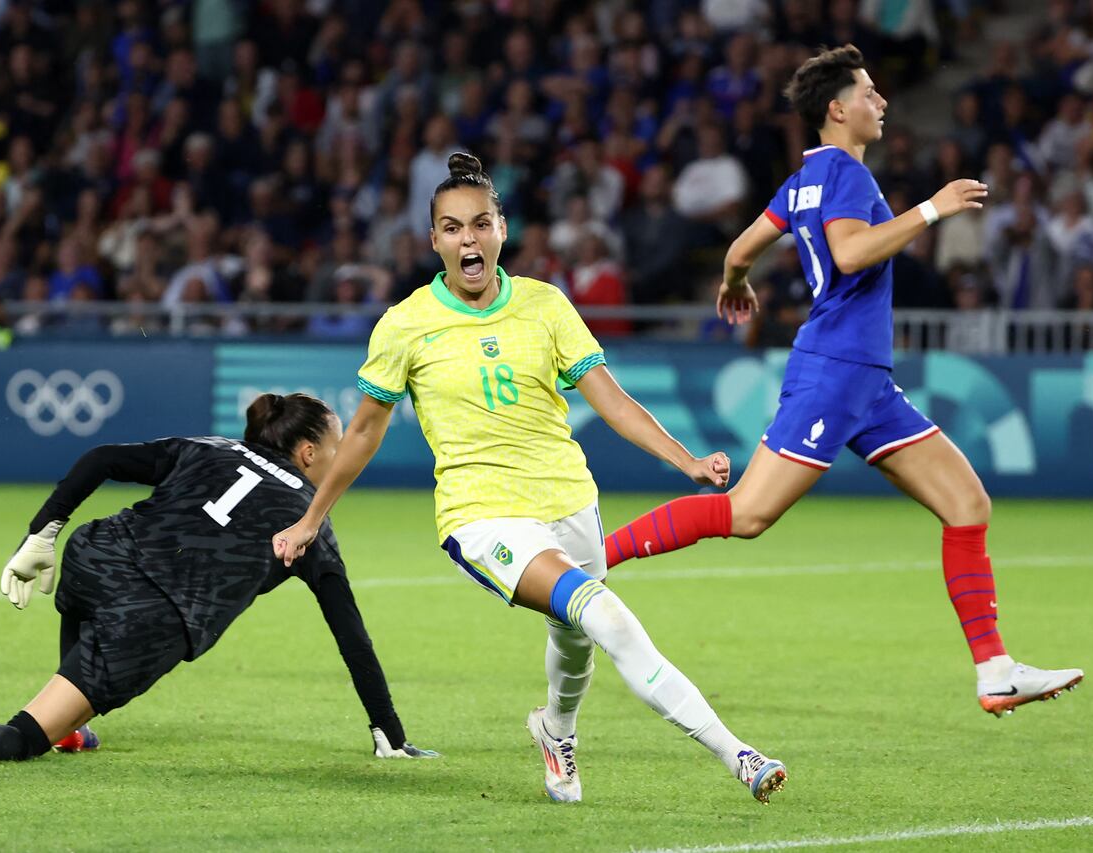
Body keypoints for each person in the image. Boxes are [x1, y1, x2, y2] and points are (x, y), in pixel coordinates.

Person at [274, 153, 786, 805]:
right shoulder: (405, 325)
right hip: (481, 517)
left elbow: (614, 400)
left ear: (501, 229)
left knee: (577, 645)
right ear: (434, 240)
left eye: (480, 224)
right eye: (453, 228)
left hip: (569, 499)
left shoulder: (545, 306)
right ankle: (738, 754)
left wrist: (684, 460)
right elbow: (367, 430)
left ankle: (554, 729)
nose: (468, 239)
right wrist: (311, 516)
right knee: (609, 618)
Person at [603, 46, 1084, 718]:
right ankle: (593, 560)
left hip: (868, 386)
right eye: (869, 92)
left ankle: (996, 669)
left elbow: (742, 250)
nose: (881, 102)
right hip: (835, 373)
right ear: (837, 109)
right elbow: (851, 252)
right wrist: (933, 210)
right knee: (746, 514)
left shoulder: (803, 179)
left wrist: (735, 283)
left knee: (967, 505)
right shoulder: (851, 178)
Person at [0, 393, 436, 766]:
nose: (344, 460)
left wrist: (42, 533)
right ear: (309, 453)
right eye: (338, 447)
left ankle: (71, 726)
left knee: (85, 613)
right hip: (151, 618)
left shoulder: (208, 447)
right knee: (23, 737)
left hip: (94, 553)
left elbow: (103, 457)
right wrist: (388, 729)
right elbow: (350, 634)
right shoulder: (309, 521)